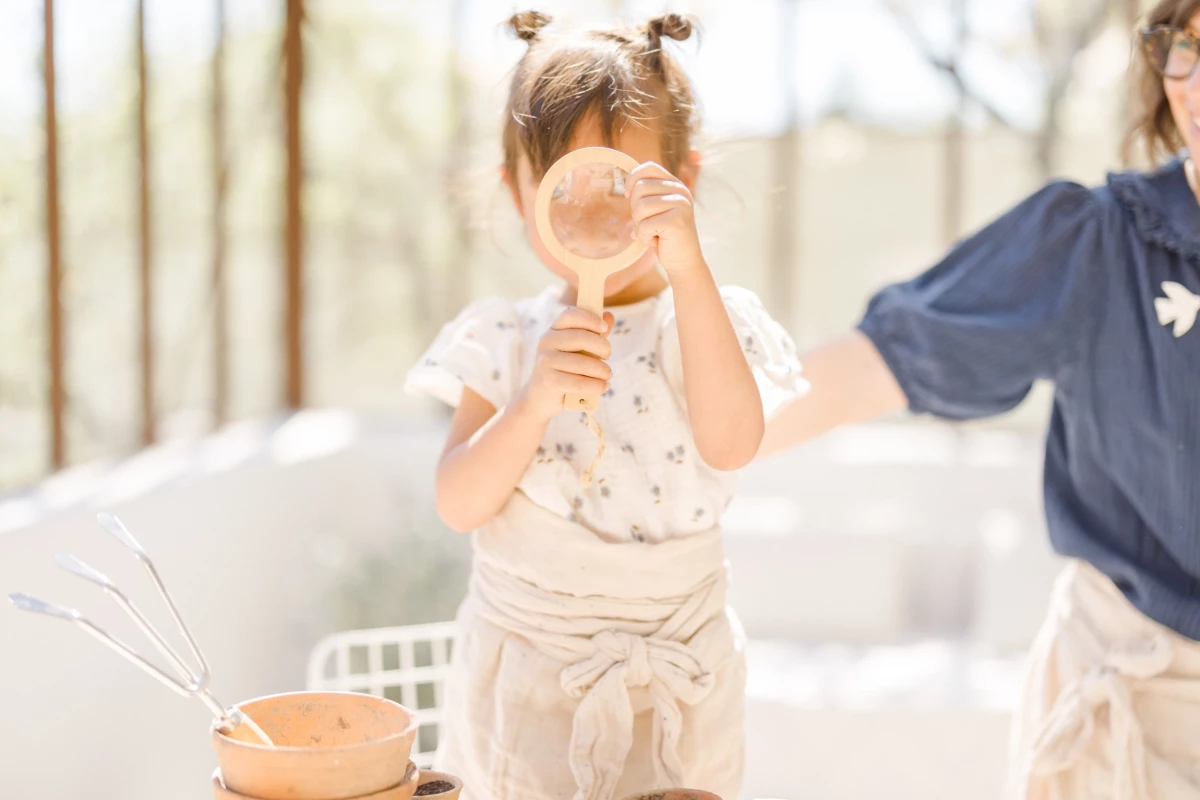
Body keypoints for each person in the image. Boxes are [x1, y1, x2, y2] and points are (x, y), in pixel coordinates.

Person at [760, 1, 1200, 797]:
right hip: (1125, 717)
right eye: (1184, 48)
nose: (1195, 84)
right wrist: (691, 435)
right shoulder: (1096, 241)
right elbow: (882, 360)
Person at [405, 11, 807, 800]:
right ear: (517, 192)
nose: (589, 212)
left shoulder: (705, 324)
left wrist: (690, 278)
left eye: (619, 186)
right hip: (530, 679)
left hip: (676, 685)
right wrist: (528, 407)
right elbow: (458, 503)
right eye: (564, 186)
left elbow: (731, 445)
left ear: (681, 184)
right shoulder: (505, 338)